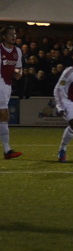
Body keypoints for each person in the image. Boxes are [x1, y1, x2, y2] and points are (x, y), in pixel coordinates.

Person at [0, 26, 23, 159]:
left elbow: (19, 68)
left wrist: (18, 74)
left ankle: (7, 150)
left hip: (7, 85)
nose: (14, 36)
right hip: (0, 83)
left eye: (15, 34)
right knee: (4, 115)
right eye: (10, 34)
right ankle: (7, 150)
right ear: (4, 36)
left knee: (3, 116)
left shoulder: (17, 51)